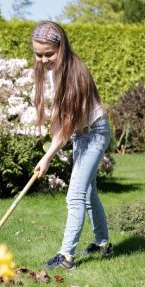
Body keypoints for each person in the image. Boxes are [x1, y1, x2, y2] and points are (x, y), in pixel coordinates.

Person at [31, 21, 113, 270]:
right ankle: (103, 244)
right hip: (81, 135)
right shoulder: (55, 71)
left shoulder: (76, 74)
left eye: (49, 54)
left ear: (62, 47)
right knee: (89, 194)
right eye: (38, 54)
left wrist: (47, 157)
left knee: (75, 195)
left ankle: (66, 256)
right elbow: (61, 121)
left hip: (95, 134)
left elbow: (65, 128)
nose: (43, 60)